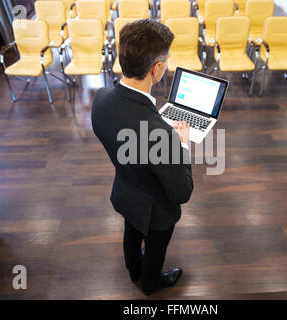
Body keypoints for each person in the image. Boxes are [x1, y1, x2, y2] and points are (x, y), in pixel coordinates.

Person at [91, 19, 194, 296]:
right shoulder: (161, 134)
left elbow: (130, 134)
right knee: (155, 248)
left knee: (131, 233)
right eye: (166, 61)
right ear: (156, 69)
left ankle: (133, 269)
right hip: (157, 211)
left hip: (126, 192)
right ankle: (150, 283)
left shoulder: (100, 99)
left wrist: (155, 123)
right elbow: (182, 192)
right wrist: (181, 144)